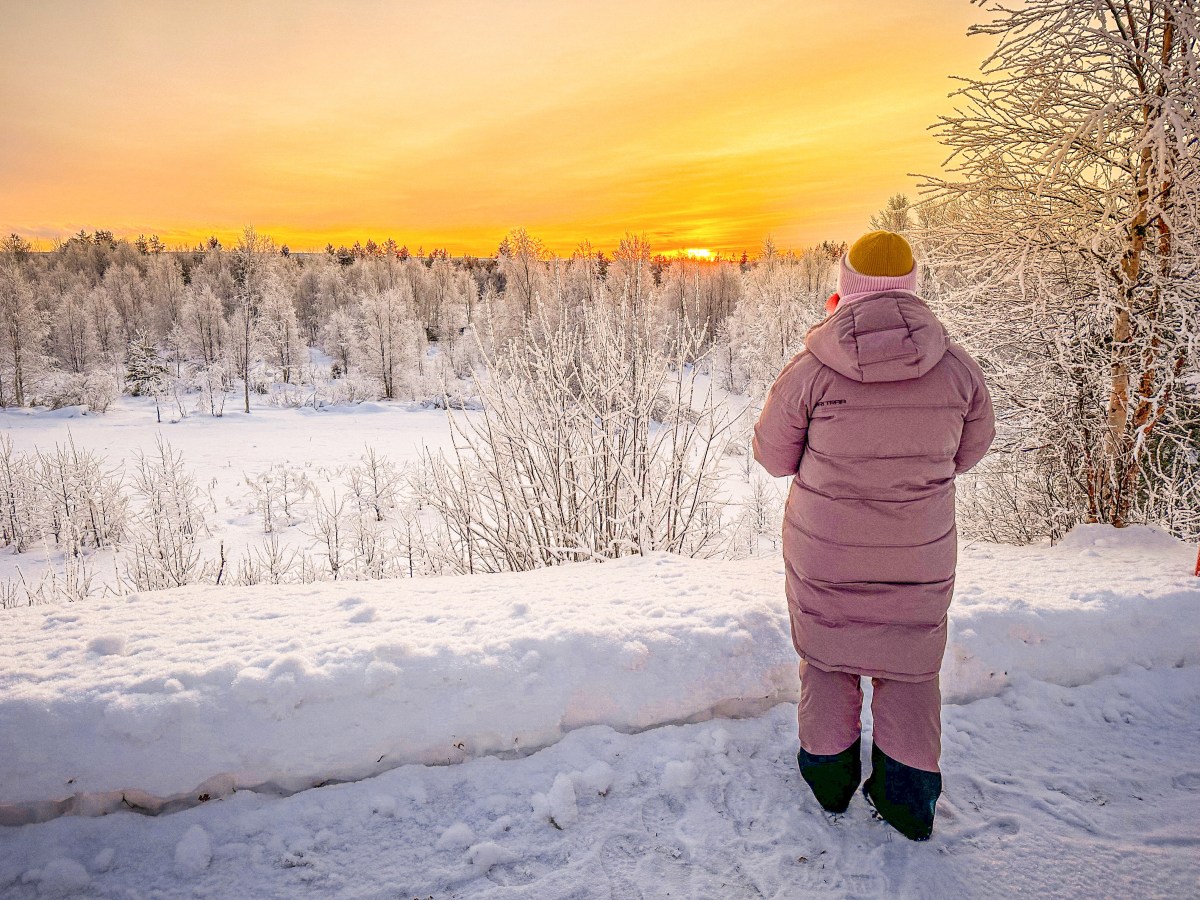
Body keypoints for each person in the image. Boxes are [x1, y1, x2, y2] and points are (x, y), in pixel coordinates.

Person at [752, 230, 994, 841]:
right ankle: (909, 801)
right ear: (912, 287)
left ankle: (828, 783)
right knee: (911, 666)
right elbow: (970, 451)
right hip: (920, 552)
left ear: (846, 288)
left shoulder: (811, 371)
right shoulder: (958, 369)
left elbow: (773, 456)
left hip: (826, 552)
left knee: (829, 659)